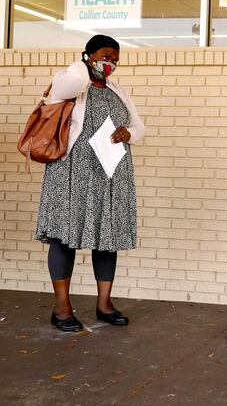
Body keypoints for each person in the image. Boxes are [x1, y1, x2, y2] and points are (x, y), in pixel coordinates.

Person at [35, 34, 145, 332]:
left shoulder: (117, 91)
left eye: (115, 60)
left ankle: (104, 304)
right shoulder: (68, 82)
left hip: (111, 172)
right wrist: (83, 65)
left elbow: (139, 125)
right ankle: (62, 308)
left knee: (107, 236)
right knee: (63, 236)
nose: (110, 64)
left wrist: (129, 133)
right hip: (70, 171)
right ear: (89, 56)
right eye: (105, 57)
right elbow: (71, 85)